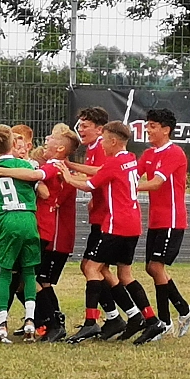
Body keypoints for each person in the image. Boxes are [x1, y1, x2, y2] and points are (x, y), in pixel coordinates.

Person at [60, 121, 162, 343]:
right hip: (133, 223)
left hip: (117, 225)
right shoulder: (130, 159)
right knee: (125, 275)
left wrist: (67, 177)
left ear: (113, 141)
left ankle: (90, 322)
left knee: (92, 268)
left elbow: (89, 185)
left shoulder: (114, 163)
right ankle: (151, 320)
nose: (102, 145)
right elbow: (102, 173)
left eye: (104, 141)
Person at [0, 123, 82, 342]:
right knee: (26, 278)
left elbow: (38, 180)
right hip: (34, 225)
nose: (46, 139)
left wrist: (1, 171)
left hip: (40, 227)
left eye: (51, 138)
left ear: (60, 148)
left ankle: (51, 323)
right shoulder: (50, 163)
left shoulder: (53, 165)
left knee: (26, 278)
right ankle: (40, 320)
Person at [135, 108, 190, 342]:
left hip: (172, 220)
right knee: (151, 268)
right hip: (155, 220)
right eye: (147, 125)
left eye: (152, 126)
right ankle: (184, 310)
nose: (148, 130)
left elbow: (155, 183)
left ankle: (164, 322)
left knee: (156, 267)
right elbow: (133, 174)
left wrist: (129, 188)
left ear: (166, 129)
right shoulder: (148, 154)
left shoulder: (174, 153)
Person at [65, 106, 123, 336]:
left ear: (100, 130)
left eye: (85, 125)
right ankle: (117, 317)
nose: (81, 129)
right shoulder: (93, 147)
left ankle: (127, 316)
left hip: (107, 218)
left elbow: (100, 172)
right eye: (79, 125)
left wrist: (68, 167)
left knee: (93, 267)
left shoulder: (101, 146)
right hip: (101, 215)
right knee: (99, 269)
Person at [0, 124, 42, 343]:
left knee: (4, 272)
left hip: (8, 220)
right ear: (13, 144)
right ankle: (30, 320)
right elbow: (38, 182)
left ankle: (1, 324)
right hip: (29, 218)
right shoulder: (25, 165)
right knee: (29, 271)